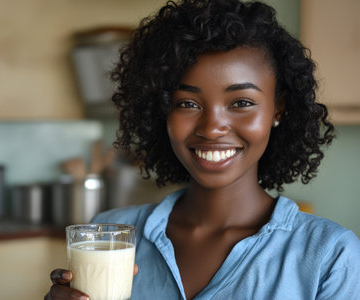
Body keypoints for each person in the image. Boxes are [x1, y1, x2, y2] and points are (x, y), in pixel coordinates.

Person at [45, 0, 360, 299]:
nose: (211, 127)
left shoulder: (330, 255)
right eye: (187, 104)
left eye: (241, 103)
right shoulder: (111, 236)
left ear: (278, 109)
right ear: (163, 111)